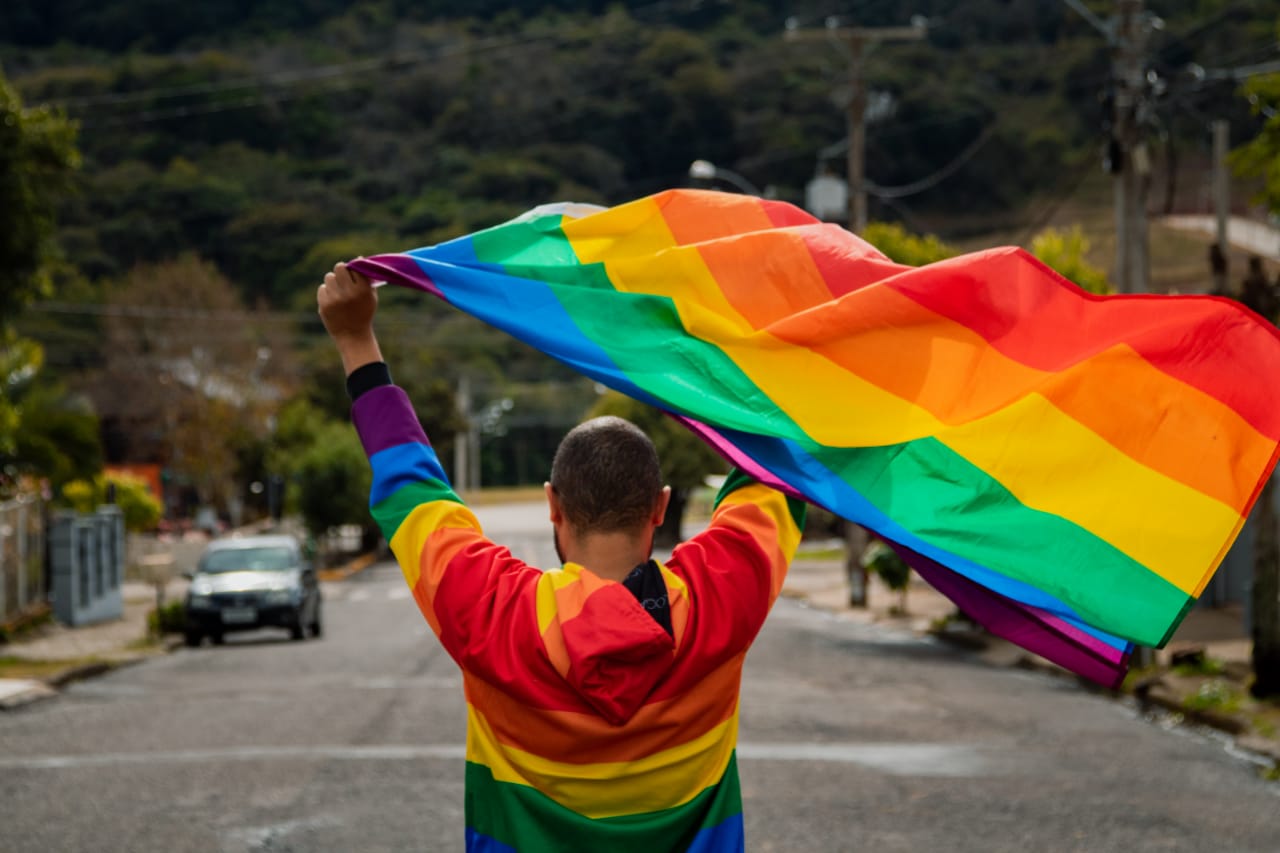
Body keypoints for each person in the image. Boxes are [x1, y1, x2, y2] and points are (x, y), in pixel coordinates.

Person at [317, 262, 807, 852]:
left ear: (554, 506)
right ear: (660, 508)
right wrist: (797, 333)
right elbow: (781, 462)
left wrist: (355, 339)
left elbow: (410, 485)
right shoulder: (722, 598)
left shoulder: (492, 615)